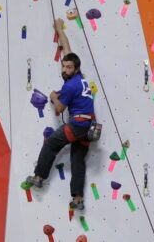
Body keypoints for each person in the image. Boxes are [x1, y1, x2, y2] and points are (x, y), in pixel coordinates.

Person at [26, 18, 95, 210]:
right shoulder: (79, 78)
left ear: (76, 69)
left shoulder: (71, 85)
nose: (64, 69)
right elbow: (67, 48)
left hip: (78, 124)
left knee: (51, 145)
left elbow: (59, 109)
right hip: (89, 125)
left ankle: (39, 177)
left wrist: (53, 96)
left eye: (68, 67)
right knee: (77, 159)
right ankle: (78, 199)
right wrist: (59, 29)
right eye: (63, 66)